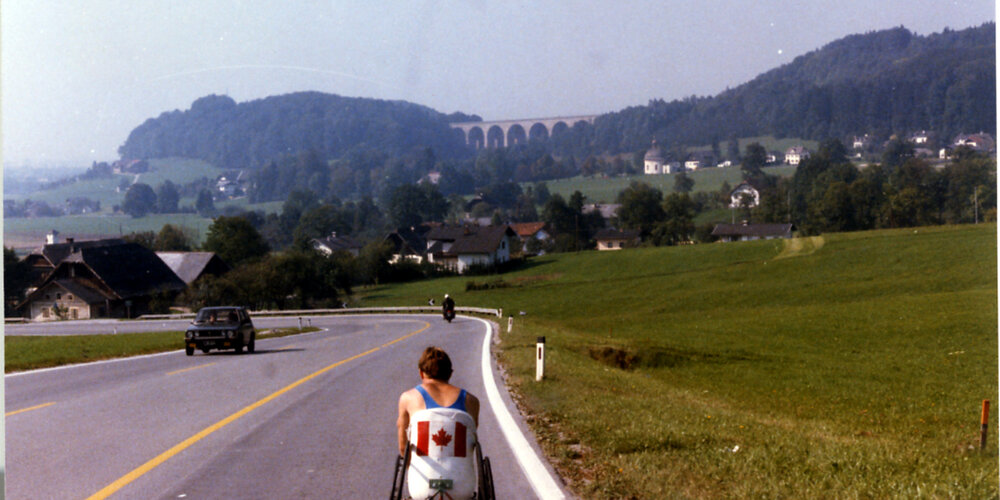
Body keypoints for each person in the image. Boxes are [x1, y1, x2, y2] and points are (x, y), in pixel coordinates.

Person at [397, 346, 480, 457]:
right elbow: (470, 440)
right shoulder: (471, 401)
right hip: (461, 471)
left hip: (423, 472)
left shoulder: (408, 398)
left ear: (421, 373)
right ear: (450, 373)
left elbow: (403, 447)